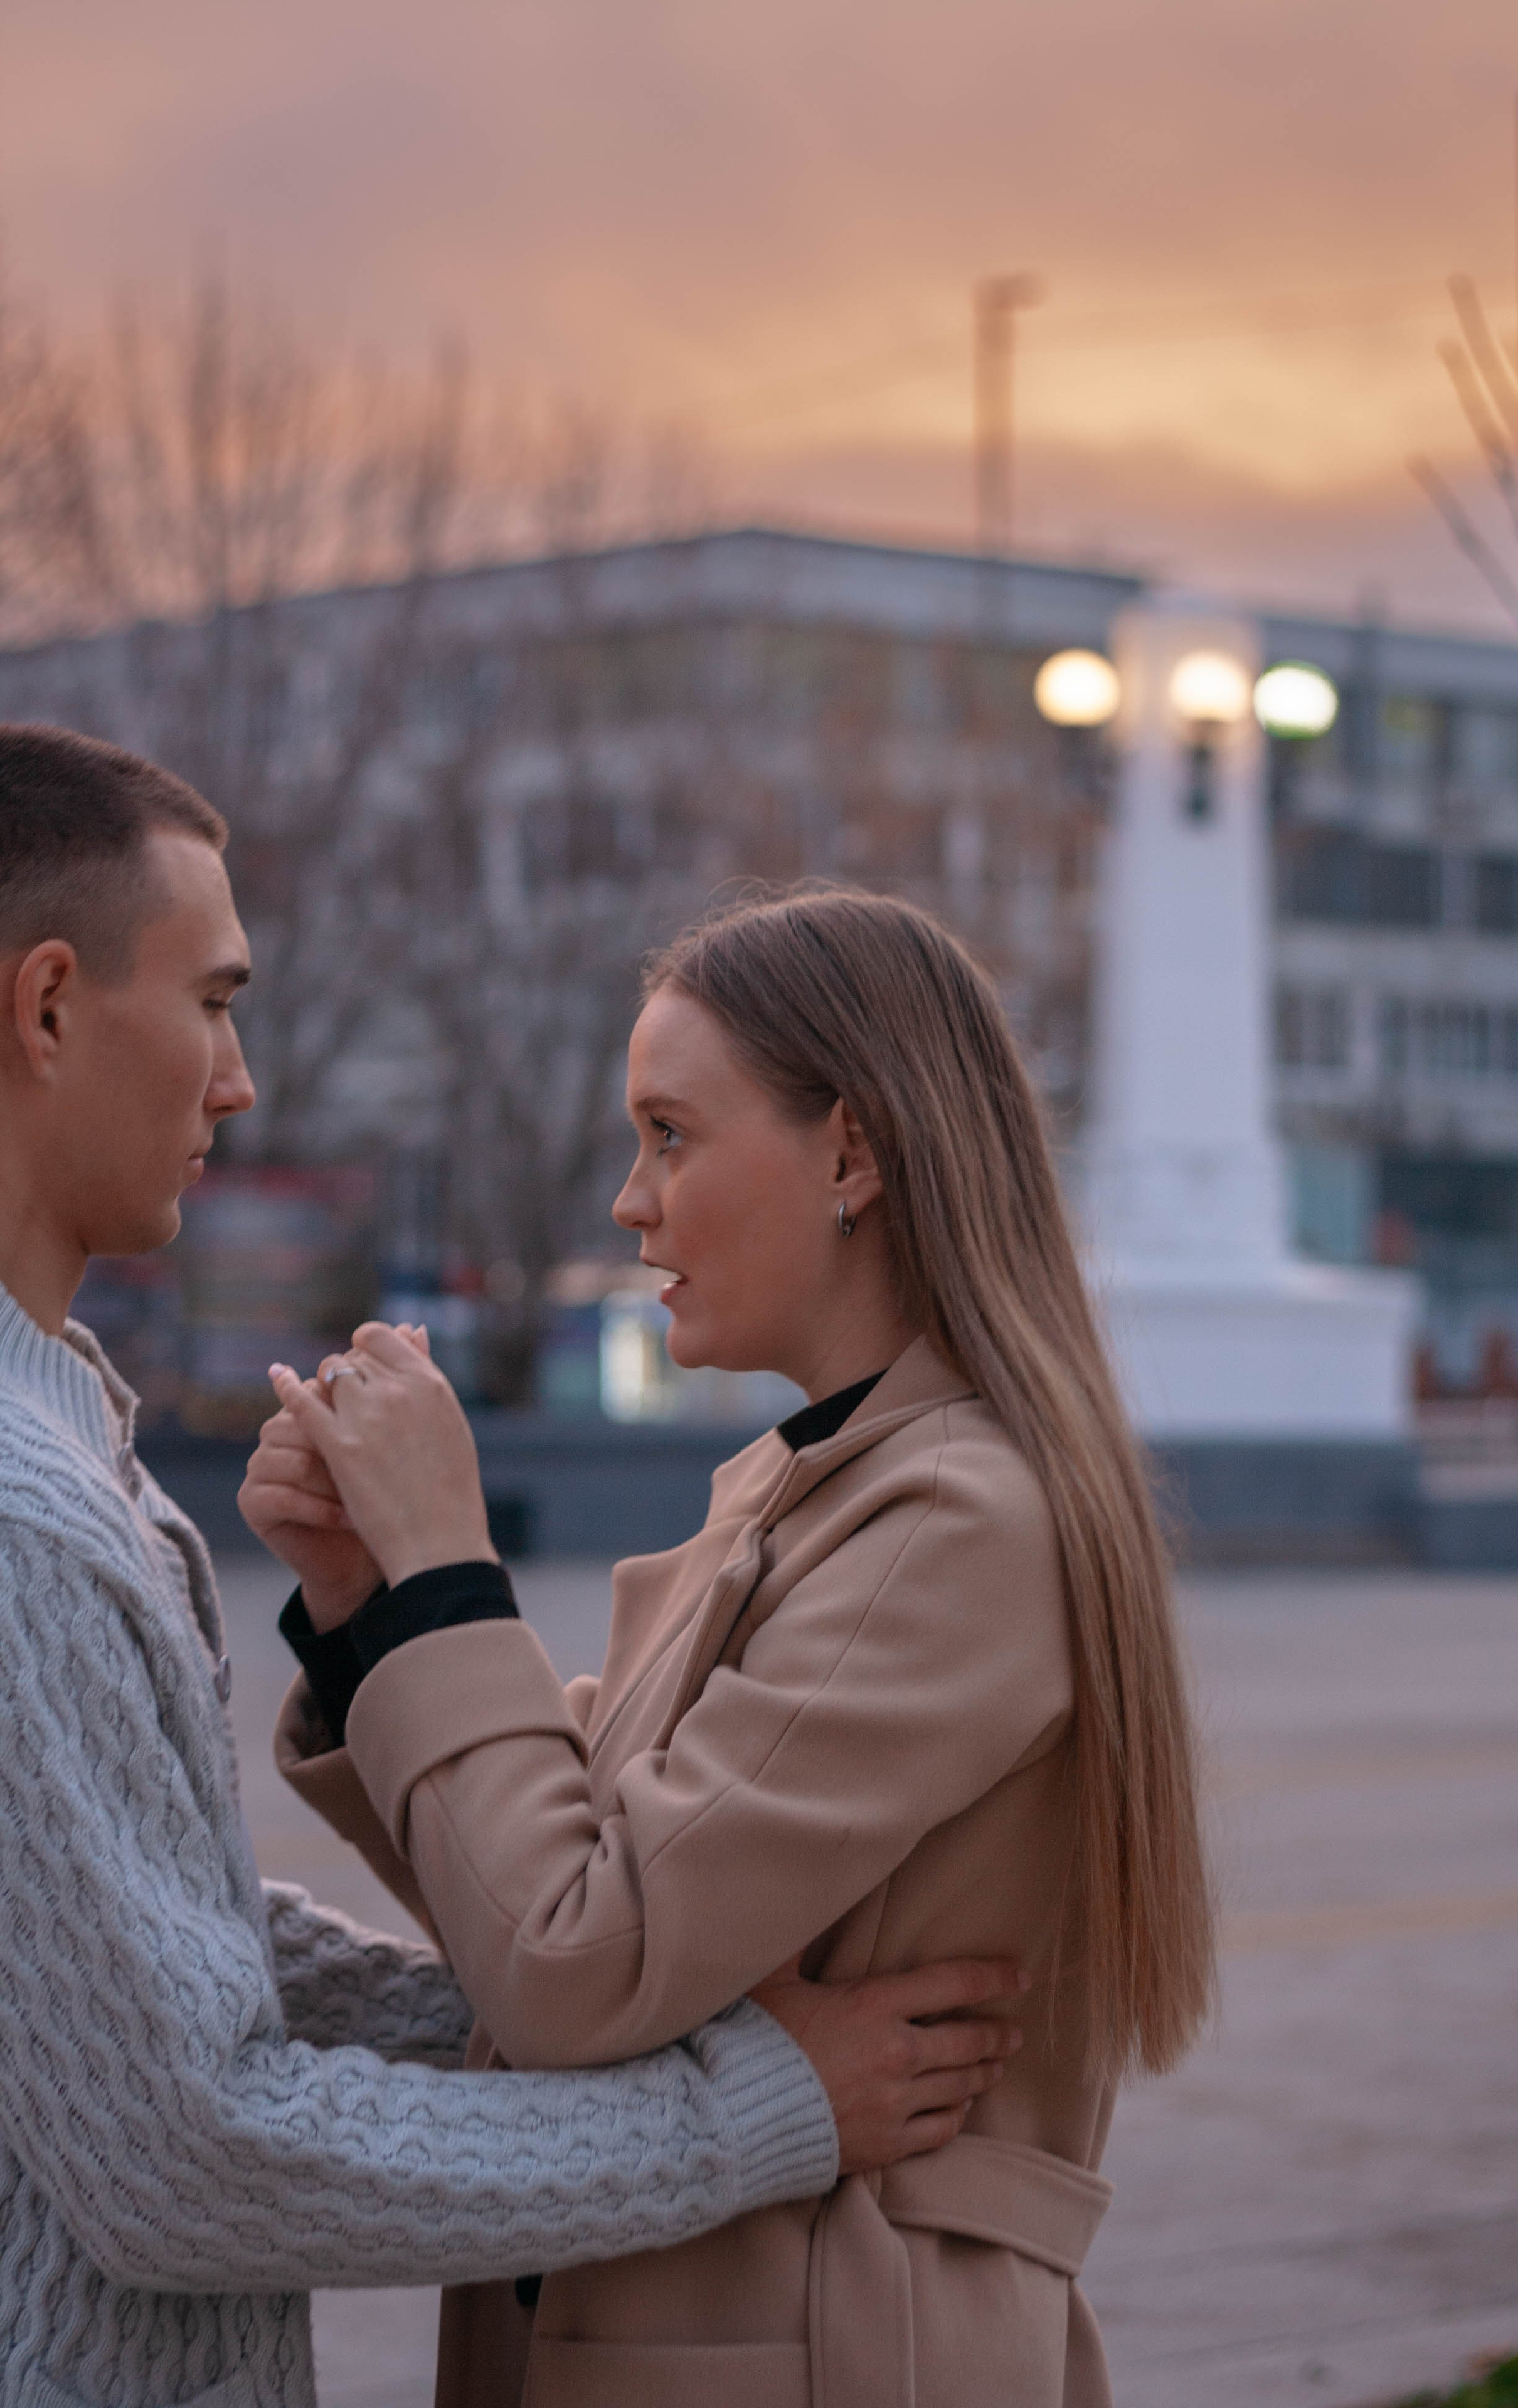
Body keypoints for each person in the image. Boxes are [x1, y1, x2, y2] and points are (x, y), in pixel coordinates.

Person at [0, 727, 1024, 2408]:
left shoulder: (68, 1460)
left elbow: (159, 1960)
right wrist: (743, 2110)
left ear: (854, 1155)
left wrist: (384, 1609)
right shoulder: (25, 1512)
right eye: (215, 1001)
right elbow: (190, 2148)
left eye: (671, 1136)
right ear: (48, 1006)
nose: (238, 1079)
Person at [257, 887, 1217, 2408]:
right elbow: (541, 1906)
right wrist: (372, 1602)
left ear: (850, 1154)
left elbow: (573, 1965)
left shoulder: (950, 1519)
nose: (629, 1201)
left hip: (827, 2343)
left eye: (670, 1135)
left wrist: (444, 1567)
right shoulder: (815, 1485)